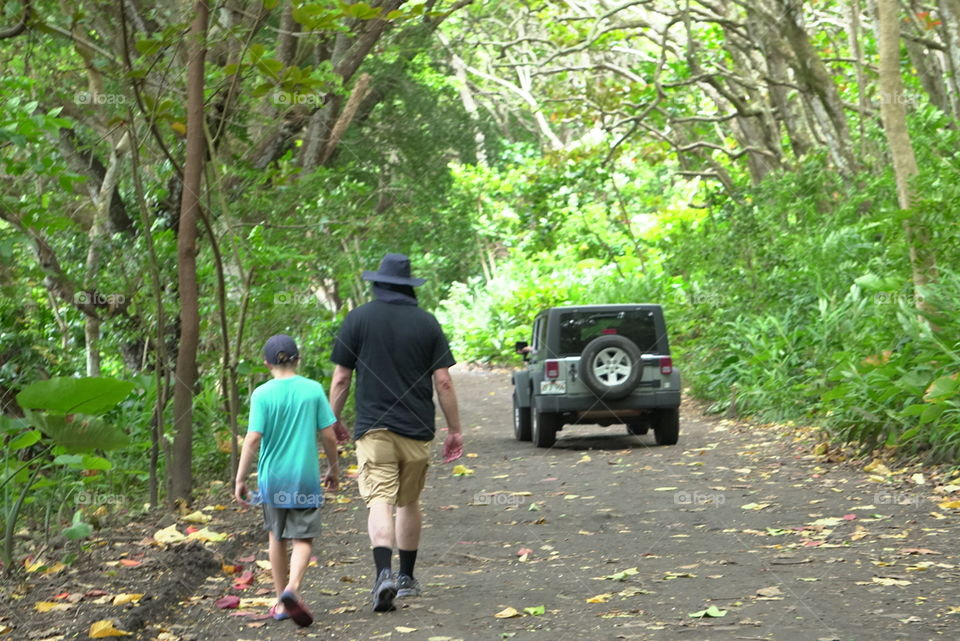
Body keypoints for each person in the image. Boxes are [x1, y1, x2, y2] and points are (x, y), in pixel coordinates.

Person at [328, 253, 464, 613]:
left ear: (377, 284)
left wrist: (333, 420)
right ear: (408, 287)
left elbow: (342, 379)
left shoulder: (357, 319)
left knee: (379, 500)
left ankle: (382, 574)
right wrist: (455, 430)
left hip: (374, 430)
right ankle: (406, 578)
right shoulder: (427, 323)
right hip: (417, 430)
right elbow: (445, 383)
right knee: (408, 502)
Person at [234, 334, 340, 627]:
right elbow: (329, 435)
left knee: (276, 537)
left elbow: (253, 438)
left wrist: (240, 478)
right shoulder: (312, 389)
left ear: (266, 363)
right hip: (305, 477)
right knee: (303, 538)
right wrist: (333, 469)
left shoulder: (261, 394)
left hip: (272, 478)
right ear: (298, 359)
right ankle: (294, 587)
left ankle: (281, 601)